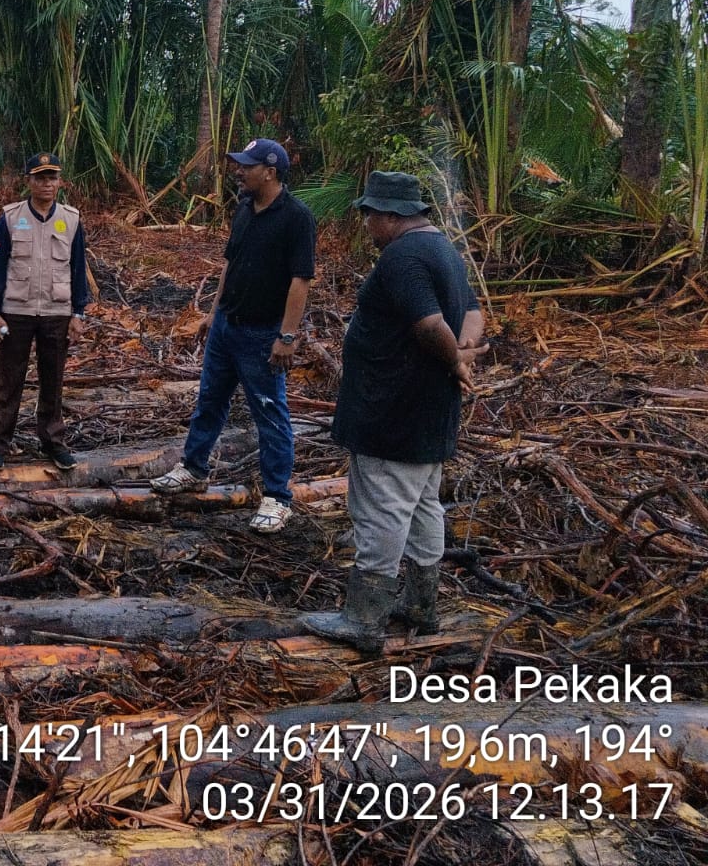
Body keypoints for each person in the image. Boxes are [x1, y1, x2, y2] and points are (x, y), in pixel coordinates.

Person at [300, 171, 488, 652]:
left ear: (389, 214)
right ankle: (422, 605)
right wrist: (465, 351)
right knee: (424, 506)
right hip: (429, 411)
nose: (367, 226)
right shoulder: (445, 250)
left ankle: (363, 618)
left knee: (382, 511)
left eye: (369, 216)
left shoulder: (402, 257)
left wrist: (455, 358)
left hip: (392, 412)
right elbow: (472, 312)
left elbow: (428, 325)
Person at [149, 137, 315, 534]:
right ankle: (194, 468)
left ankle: (277, 498)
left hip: (262, 333)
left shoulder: (297, 218)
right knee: (209, 399)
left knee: (269, 413)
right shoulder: (243, 208)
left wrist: (286, 337)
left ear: (270, 172)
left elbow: (301, 281)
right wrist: (213, 313)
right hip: (227, 326)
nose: (238, 171)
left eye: (247, 166)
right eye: (239, 164)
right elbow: (230, 263)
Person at [0, 152, 90, 472]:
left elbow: (78, 268)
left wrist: (79, 313)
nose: (47, 184)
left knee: (53, 381)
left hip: (57, 312)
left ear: (60, 182)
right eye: (40, 178)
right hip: (16, 311)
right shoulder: (11, 218)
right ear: (28, 181)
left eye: (52, 177)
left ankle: (53, 443)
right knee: (9, 379)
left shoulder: (71, 219)